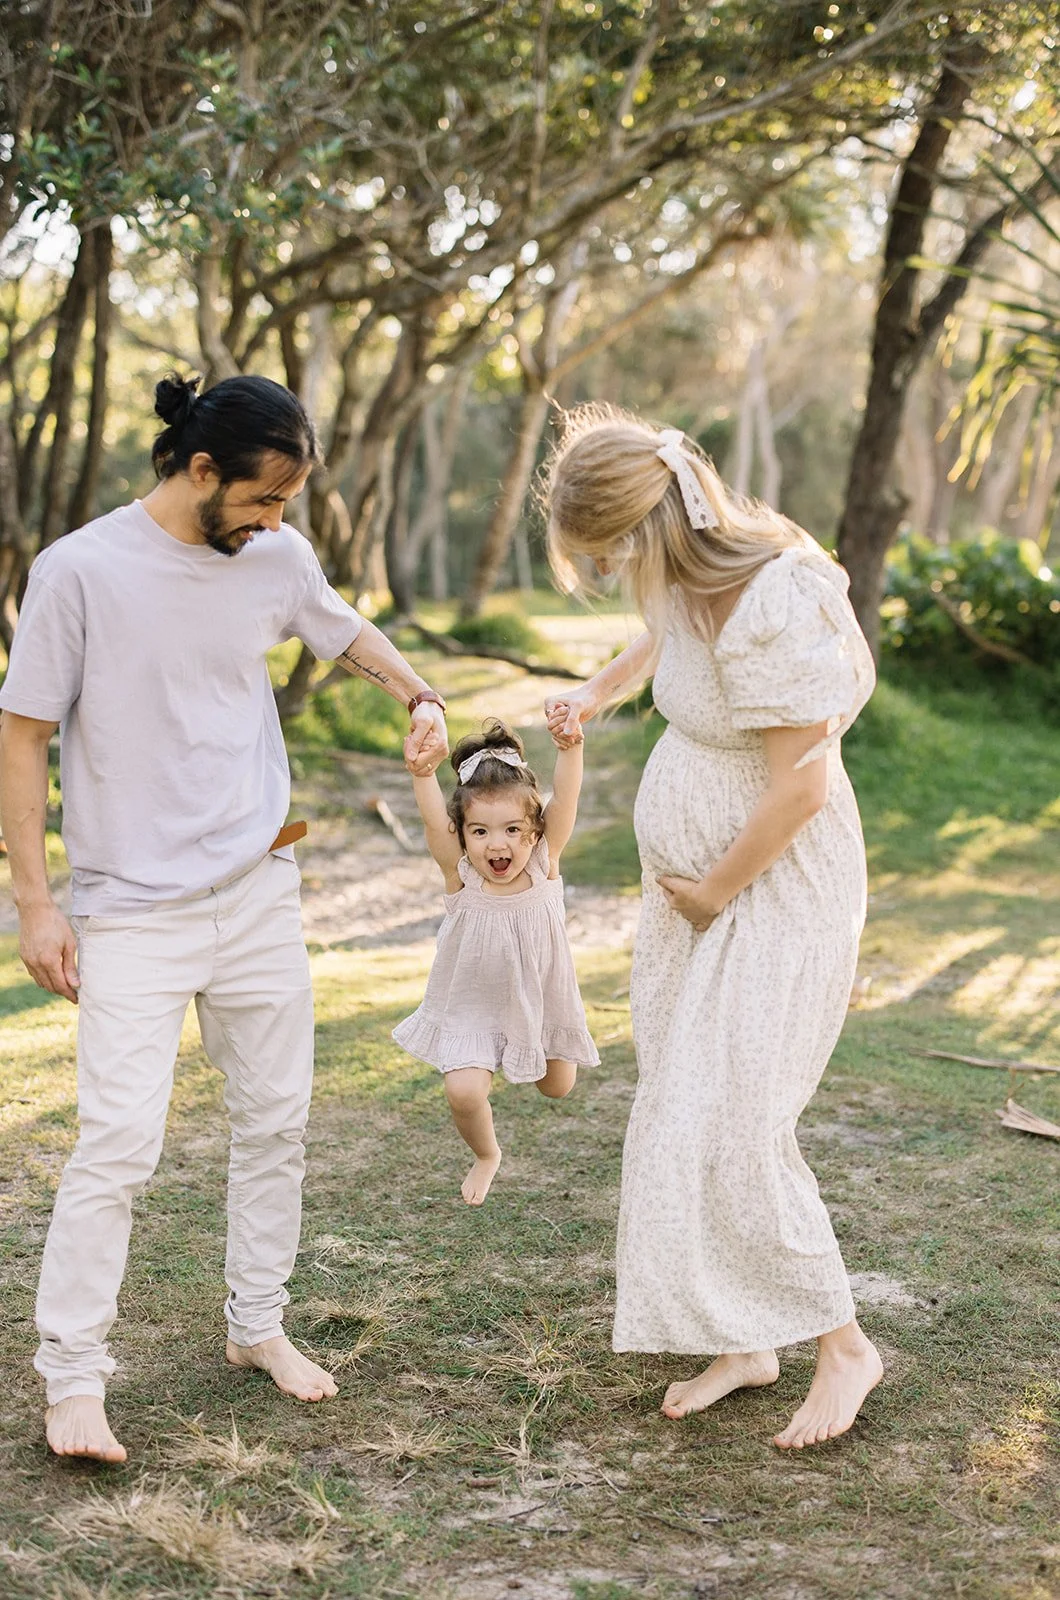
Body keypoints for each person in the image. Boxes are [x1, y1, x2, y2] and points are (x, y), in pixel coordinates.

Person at [0, 372, 449, 1464]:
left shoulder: (277, 558)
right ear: (199, 472)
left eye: (286, 505)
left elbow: (344, 633)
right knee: (116, 1142)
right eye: (260, 500)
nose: (275, 524)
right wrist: (37, 902)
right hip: (129, 910)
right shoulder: (80, 572)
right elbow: (19, 737)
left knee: (276, 1119)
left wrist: (420, 694)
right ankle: (72, 1379)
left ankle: (258, 1326)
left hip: (256, 891)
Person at [542, 405, 882, 1451]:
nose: (607, 572)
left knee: (736, 1114)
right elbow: (662, 633)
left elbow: (801, 790)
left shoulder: (773, 595)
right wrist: (595, 694)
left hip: (773, 883)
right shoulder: (683, 572)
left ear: (646, 526)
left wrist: (712, 891)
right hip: (702, 887)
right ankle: (744, 1340)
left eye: (605, 552)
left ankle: (844, 1345)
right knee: (686, 1102)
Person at [393, 717, 599, 1205]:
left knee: (557, 1087)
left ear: (534, 832)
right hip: (473, 1005)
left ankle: (528, 1051)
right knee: (463, 1092)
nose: (497, 844)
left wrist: (571, 749)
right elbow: (430, 821)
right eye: (480, 831)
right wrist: (423, 774)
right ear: (462, 835)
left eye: (511, 829)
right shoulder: (461, 877)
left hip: (541, 1001)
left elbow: (565, 801)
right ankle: (487, 1154)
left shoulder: (543, 865)